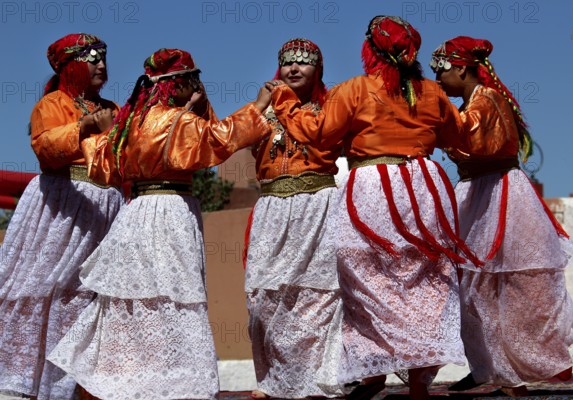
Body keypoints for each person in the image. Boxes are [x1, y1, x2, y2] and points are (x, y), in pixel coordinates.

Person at [267, 16, 483, 400]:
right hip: (423, 184)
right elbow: (458, 135)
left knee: (365, 277)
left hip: (372, 186)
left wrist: (284, 102)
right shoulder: (431, 92)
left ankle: (373, 372)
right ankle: (419, 375)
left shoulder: (354, 90)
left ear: (369, 50)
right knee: (424, 279)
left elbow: (319, 137)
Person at [47, 48, 272, 400]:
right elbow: (219, 139)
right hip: (173, 212)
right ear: (178, 84)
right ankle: (177, 384)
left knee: (132, 298)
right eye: (193, 80)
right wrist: (256, 108)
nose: (198, 87)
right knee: (175, 296)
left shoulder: (129, 122)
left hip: (134, 214)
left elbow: (101, 165)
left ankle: (118, 381)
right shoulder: (177, 122)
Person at [430, 36, 573, 396]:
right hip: (475, 192)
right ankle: (486, 367)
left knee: (508, 288)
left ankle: (510, 370)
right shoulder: (473, 100)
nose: (437, 79)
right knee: (473, 289)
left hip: (499, 194)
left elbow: (472, 140)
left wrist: (433, 113)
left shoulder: (487, 100)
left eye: (440, 71)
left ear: (461, 68)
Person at [0, 33, 122, 400]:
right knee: (43, 288)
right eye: (92, 58)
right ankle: (22, 379)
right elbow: (46, 147)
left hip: (107, 208)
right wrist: (83, 128)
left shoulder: (114, 110)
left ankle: (81, 384)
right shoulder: (52, 104)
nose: (101, 64)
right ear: (71, 65)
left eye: (104, 57)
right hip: (63, 206)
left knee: (93, 295)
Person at [244, 38, 343, 399]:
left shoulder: (330, 107)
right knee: (264, 296)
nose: (294, 69)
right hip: (272, 205)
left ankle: (318, 376)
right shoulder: (263, 110)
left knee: (318, 295)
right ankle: (271, 377)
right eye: (287, 63)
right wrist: (257, 108)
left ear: (318, 70)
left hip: (318, 203)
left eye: (303, 63)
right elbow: (229, 137)